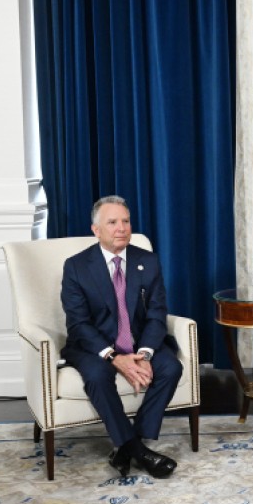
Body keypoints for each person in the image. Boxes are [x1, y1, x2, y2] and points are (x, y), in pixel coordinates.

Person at [61, 195, 183, 479]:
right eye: (113, 222)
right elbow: (78, 324)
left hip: (139, 343)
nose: (122, 228)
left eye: (126, 221)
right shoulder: (76, 266)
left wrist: (146, 353)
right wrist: (114, 357)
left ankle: (129, 445)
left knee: (171, 367)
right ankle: (140, 452)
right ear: (96, 230)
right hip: (94, 346)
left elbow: (157, 314)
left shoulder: (147, 261)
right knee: (96, 376)